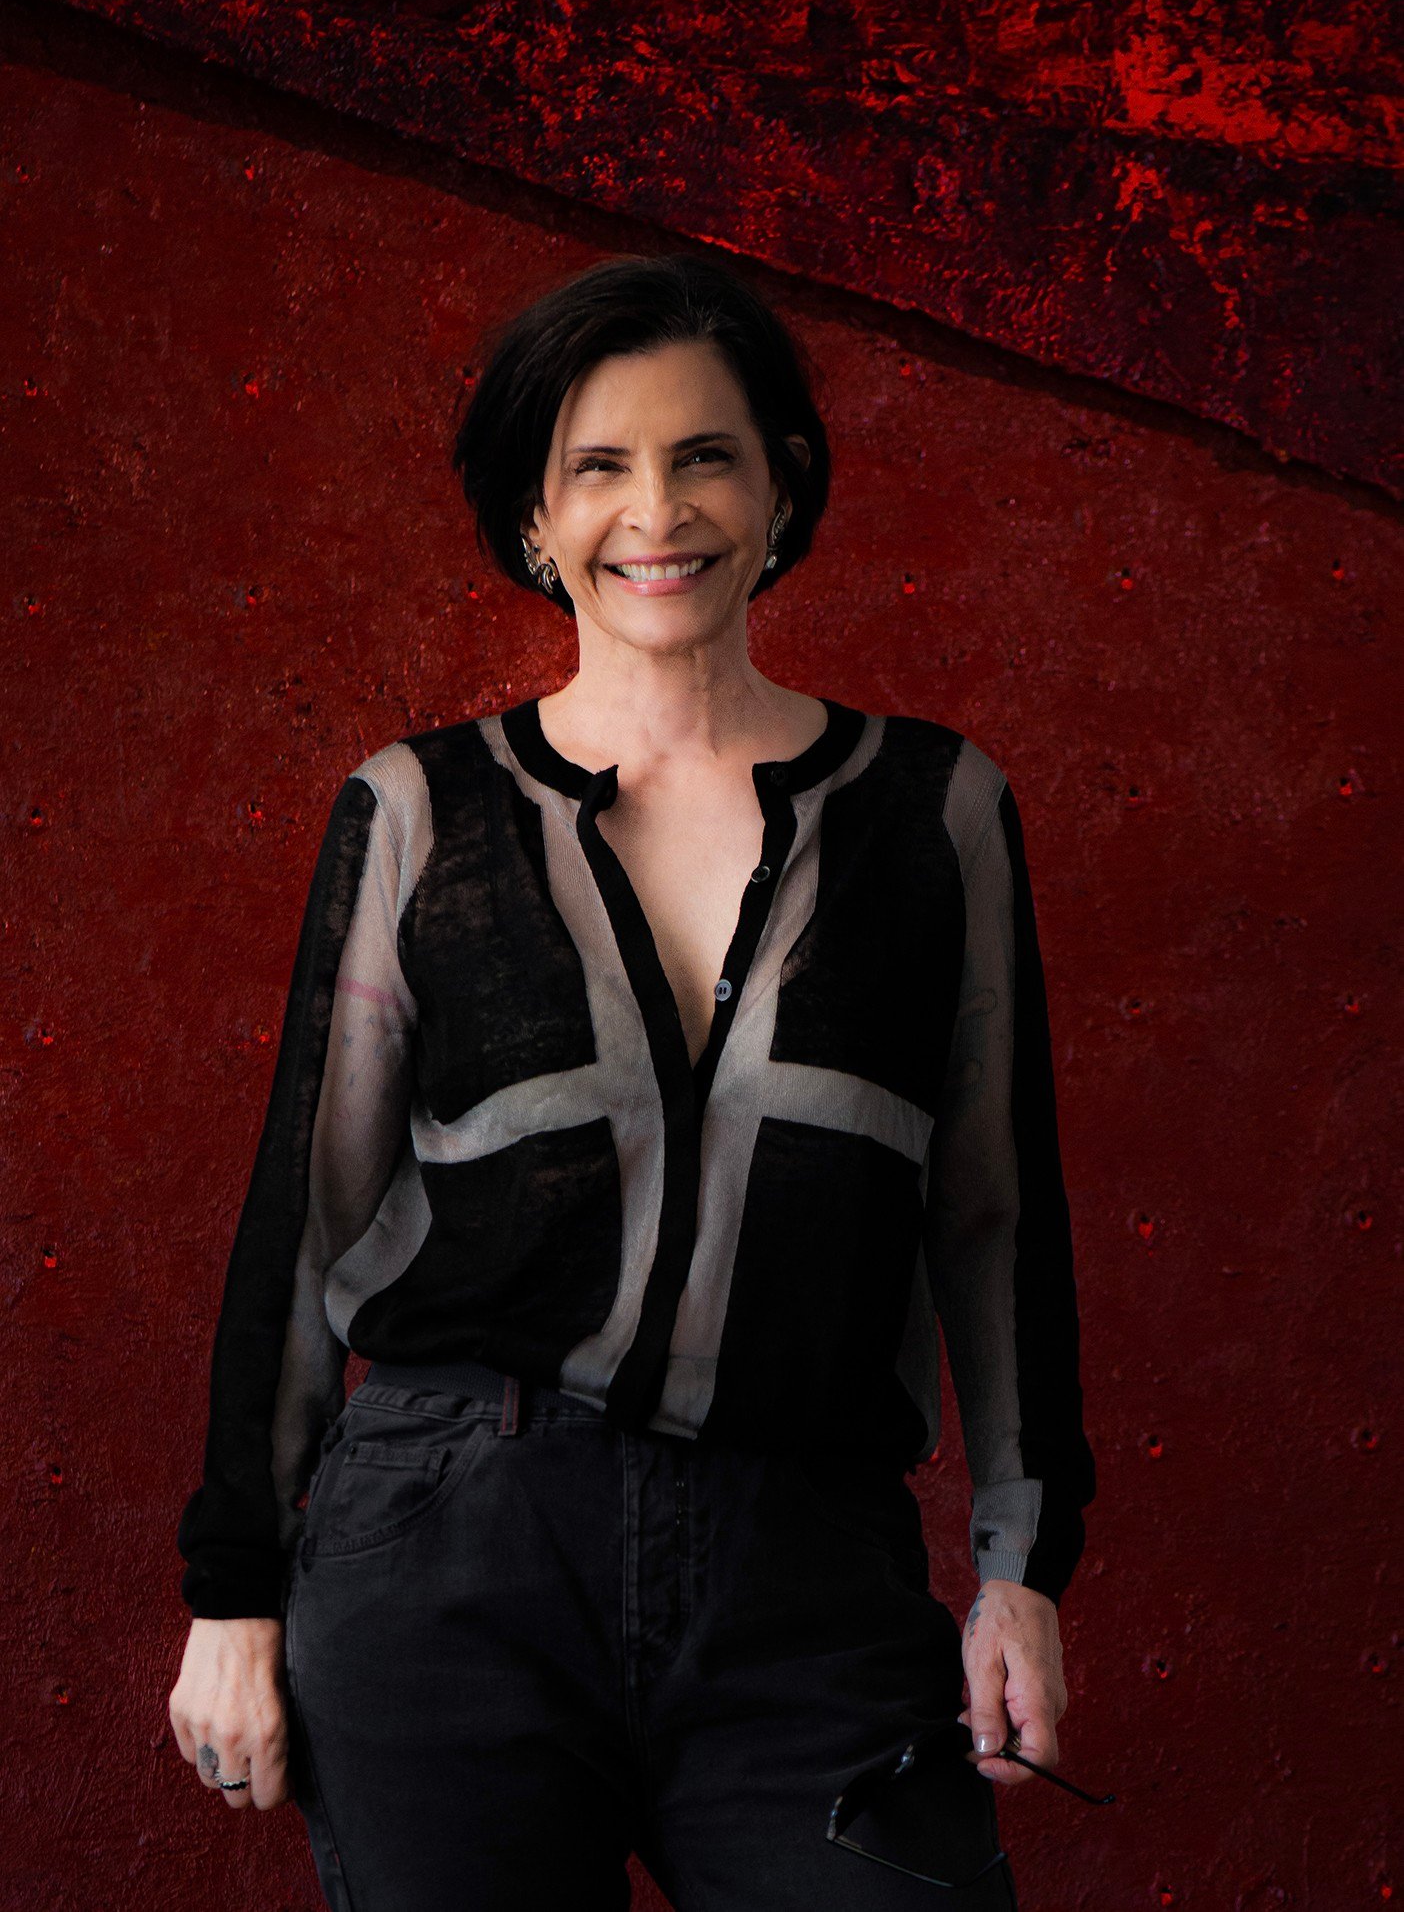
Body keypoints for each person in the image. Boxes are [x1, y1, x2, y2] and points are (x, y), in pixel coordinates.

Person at [167, 251, 1096, 1910]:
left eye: (704, 455)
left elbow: (993, 1215)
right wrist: (233, 1591)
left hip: (807, 1563)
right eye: (600, 464)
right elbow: (302, 1225)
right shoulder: (418, 814)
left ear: (780, 484)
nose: (656, 511)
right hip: (451, 1543)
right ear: (537, 514)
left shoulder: (936, 813)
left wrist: (1021, 1568)